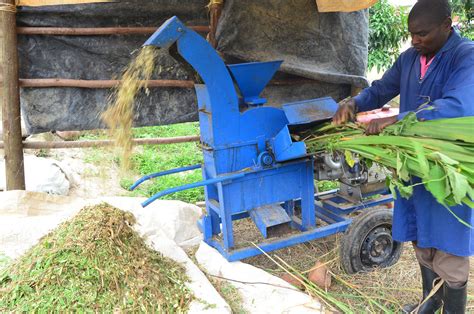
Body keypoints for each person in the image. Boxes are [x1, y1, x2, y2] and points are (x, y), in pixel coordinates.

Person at [333, 0, 474, 313]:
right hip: (412, 165)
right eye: (411, 34)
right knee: (419, 235)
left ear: (447, 25)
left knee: (448, 245)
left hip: (445, 166)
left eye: (422, 34)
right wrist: (355, 103)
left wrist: (401, 118)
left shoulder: (466, 56)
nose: (415, 40)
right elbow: (383, 87)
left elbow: (460, 106)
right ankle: (430, 301)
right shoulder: (411, 58)